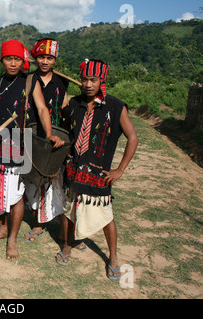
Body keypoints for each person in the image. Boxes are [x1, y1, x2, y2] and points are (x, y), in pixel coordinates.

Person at [56, 59, 139, 280]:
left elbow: (133, 137)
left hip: (98, 173)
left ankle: (113, 258)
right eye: (84, 79)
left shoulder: (115, 106)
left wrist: (119, 170)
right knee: (68, 210)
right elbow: (66, 132)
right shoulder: (74, 104)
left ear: (102, 80)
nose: (88, 84)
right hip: (73, 169)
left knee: (105, 217)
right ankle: (68, 245)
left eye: (93, 79)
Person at [0, 40, 64, 259]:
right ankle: (2, 229)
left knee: (17, 193)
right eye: (8, 59)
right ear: (2, 60)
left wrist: (48, 134)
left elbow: (41, 108)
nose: (13, 63)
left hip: (21, 141)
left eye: (17, 59)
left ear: (23, 61)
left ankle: (12, 239)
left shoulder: (31, 80)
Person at [23, 38, 76, 245]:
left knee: (55, 178)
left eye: (50, 58)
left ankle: (58, 221)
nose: (45, 61)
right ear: (35, 57)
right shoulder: (28, 79)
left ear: (55, 59)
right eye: (41, 57)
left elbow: (63, 106)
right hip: (33, 134)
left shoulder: (62, 82)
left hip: (55, 135)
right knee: (35, 178)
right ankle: (38, 223)